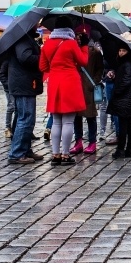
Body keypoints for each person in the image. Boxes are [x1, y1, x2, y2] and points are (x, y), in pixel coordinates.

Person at [40, 16, 89, 166]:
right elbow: (83, 61)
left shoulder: (47, 44)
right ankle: (66, 154)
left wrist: (55, 69)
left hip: (55, 83)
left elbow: (42, 67)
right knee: (68, 121)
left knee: (56, 122)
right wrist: (84, 46)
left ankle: (55, 155)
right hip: (70, 83)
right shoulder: (71, 43)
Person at [7, 25, 44, 164]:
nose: (38, 24)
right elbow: (25, 57)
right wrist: (42, 57)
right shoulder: (23, 39)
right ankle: (17, 153)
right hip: (23, 84)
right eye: (36, 22)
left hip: (24, 83)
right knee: (25, 118)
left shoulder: (26, 37)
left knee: (25, 118)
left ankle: (25, 149)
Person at [71, 30, 103, 155]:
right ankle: (78, 142)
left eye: (79, 36)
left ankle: (92, 142)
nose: (77, 38)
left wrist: (93, 82)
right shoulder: (74, 49)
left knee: (90, 116)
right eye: (76, 36)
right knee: (76, 116)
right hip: (75, 86)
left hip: (88, 87)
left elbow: (100, 69)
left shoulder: (94, 51)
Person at [107, 44, 131, 159]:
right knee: (127, 123)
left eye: (123, 50)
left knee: (124, 124)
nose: (120, 53)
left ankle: (121, 149)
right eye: (119, 50)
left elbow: (127, 79)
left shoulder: (128, 64)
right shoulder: (123, 63)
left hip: (124, 96)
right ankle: (129, 149)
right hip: (125, 96)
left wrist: (118, 91)